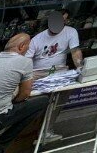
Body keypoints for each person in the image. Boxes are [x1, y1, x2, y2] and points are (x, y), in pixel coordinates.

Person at [28, 10, 82, 142]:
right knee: (37, 101)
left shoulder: (70, 32)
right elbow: (26, 60)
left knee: (60, 96)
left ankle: (46, 129)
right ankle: (31, 131)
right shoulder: (37, 39)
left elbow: (75, 52)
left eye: (64, 20)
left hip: (59, 71)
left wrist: (80, 68)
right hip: (38, 73)